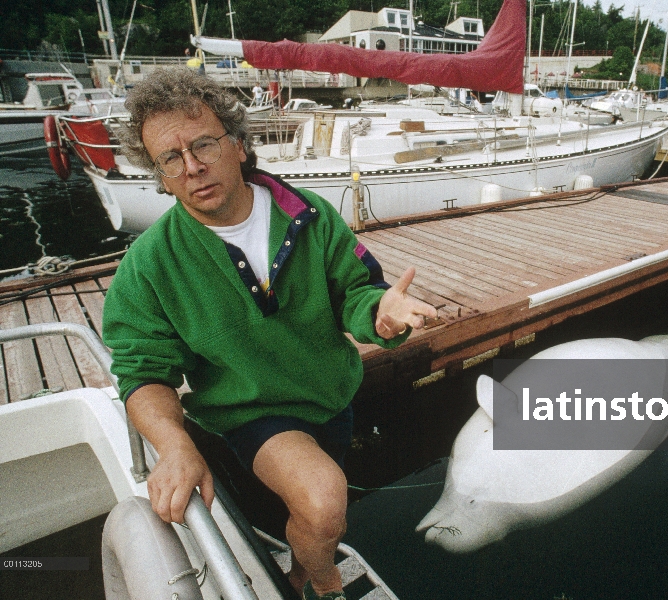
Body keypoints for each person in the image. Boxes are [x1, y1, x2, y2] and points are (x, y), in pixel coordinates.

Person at [103, 68, 437, 600]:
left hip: (330, 394)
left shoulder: (309, 215)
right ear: (159, 174)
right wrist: (174, 446)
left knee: (312, 512)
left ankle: (300, 566)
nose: (191, 167)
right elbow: (142, 371)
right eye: (170, 158)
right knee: (326, 503)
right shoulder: (150, 265)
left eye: (203, 144)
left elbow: (356, 291)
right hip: (252, 411)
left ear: (237, 144)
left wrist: (380, 313)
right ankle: (326, 585)